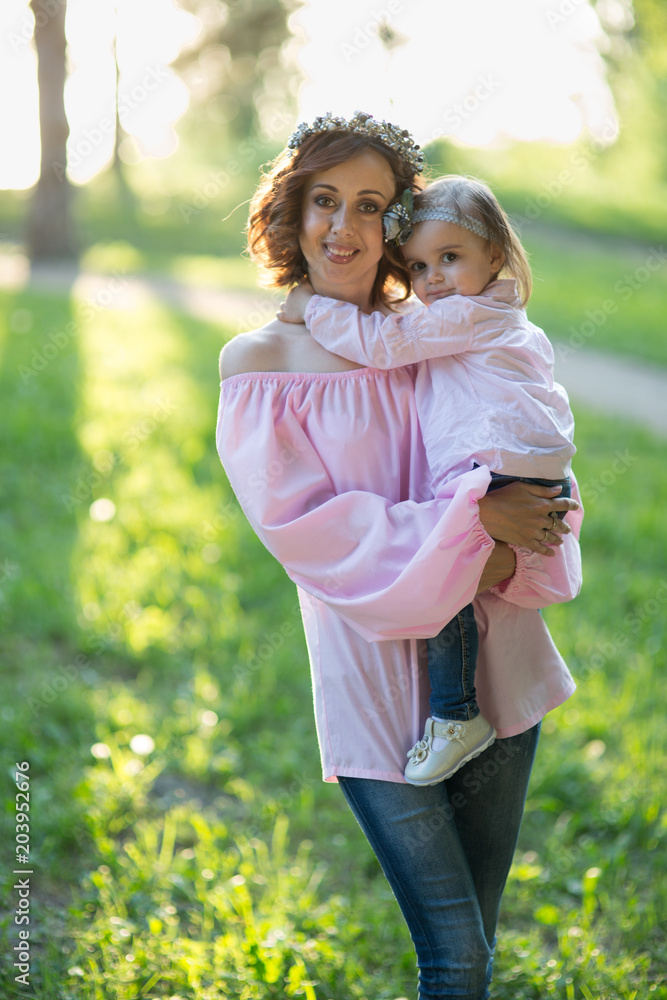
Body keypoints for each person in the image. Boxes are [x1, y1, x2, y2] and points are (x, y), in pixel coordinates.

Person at [216, 111, 582, 1000]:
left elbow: (528, 439)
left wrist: (521, 529)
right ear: (291, 211)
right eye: (324, 200)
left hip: (494, 660)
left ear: (399, 224)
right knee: (452, 953)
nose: (343, 226)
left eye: (371, 205)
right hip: (372, 677)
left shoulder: (434, 330)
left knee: (478, 944)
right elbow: (313, 534)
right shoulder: (258, 366)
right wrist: (478, 529)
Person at [277, 173, 577, 787]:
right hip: (531, 468)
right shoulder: (503, 317)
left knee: (443, 578)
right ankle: (465, 708)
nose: (432, 279)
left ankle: (455, 714)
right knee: (462, 580)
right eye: (417, 266)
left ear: (494, 254)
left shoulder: (466, 315)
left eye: (449, 258)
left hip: (500, 468)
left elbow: (384, 343)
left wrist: (313, 307)